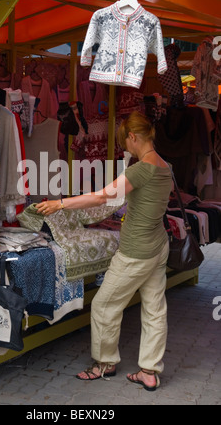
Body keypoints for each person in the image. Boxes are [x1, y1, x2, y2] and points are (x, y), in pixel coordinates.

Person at [36, 111, 173, 392]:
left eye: (126, 142)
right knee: (155, 309)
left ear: (134, 137)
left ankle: (104, 363)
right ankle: (149, 371)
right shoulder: (165, 167)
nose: (126, 148)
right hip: (159, 245)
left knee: (103, 305)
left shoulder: (140, 169)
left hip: (137, 250)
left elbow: (102, 196)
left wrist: (60, 204)